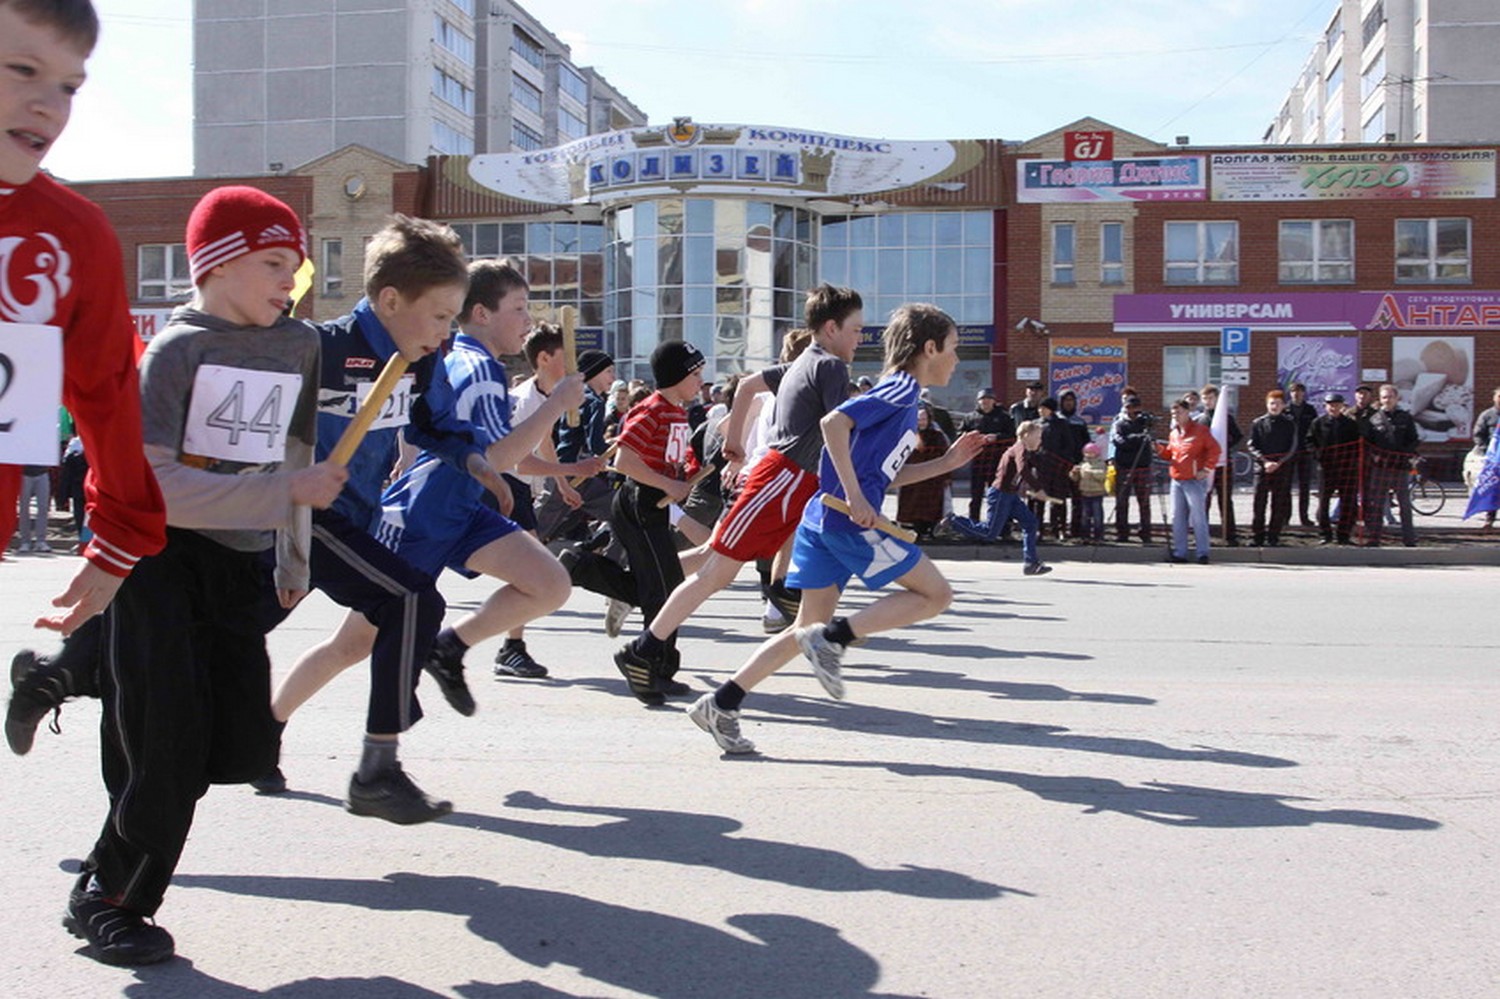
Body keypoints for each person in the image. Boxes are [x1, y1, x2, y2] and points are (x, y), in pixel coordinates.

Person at [66, 183, 346, 966]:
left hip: (240, 562)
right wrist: (282, 494)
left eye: (295, 265)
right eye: (272, 262)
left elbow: (292, 452)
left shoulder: (296, 344)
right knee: (167, 748)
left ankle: (87, 679)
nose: (288, 280)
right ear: (217, 264)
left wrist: (292, 552)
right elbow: (151, 488)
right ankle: (111, 898)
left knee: (244, 747)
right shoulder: (174, 353)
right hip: (157, 561)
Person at [261, 215, 508, 819]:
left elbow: (437, 425)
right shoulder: (320, 348)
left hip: (347, 519)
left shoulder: (419, 361)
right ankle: (377, 768)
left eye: (454, 319)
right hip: (291, 515)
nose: (446, 332)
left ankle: (68, 671)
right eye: (440, 316)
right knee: (412, 601)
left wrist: (477, 462)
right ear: (390, 299)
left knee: (222, 629)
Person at [687, 303, 986, 754]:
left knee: (805, 628)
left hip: (824, 519)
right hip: (846, 523)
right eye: (953, 349)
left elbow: (878, 475)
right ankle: (835, 640)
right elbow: (833, 423)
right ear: (929, 348)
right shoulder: (902, 389)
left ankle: (721, 703)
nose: (957, 360)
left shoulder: (904, 395)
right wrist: (856, 498)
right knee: (935, 595)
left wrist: (946, 463)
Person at [0, 0, 165, 615]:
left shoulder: (73, 235)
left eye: (69, 85)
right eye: (22, 68)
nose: (50, 104)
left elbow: (108, 391)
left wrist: (120, 536)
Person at [610, 289, 862, 689]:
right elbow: (836, 430)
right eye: (856, 330)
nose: (860, 339)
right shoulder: (830, 367)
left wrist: (735, 447)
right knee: (714, 572)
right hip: (782, 481)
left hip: (789, 483)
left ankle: (790, 605)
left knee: (717, 562)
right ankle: (642, 647)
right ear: (831, 328)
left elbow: (745, 386)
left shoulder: (802, 363)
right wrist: (855, 489)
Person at [564, 340, 706, 703]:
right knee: (664, 588)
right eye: (695, 373)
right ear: (676, 376)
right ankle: (584, 567)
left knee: (664, 586)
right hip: (638, 504)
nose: (701, 381)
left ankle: (658, 667)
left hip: (654, 505)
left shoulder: (677, 410)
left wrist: (688, 471)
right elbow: (625, 461)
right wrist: (667, 483)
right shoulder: (653, 409)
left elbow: (675, 455)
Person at [942, 419, 1051, 575]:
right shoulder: (1019, 448)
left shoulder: (1024, 450)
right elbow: (1022, 470)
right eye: (1038, 436)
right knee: (989, 533)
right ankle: (953, 521)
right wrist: (1038, 489)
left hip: (1010, 495)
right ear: (1026, 435)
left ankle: (1031, 563)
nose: (1040, 440)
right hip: (1000, 495)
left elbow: (1018, 474)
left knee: (1030, 523)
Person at [1156, 398, 1220, 564]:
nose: (1176, 416)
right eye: (1173, 413)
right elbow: (1170, 454)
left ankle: (1203, 552)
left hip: (1194, 481)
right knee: (1177, 517)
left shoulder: (1200, 431)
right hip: (1177, 480)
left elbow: (1215, 450)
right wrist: (1159, 449)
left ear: (1188, 412)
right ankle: (1180, 552)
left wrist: (1206, 469)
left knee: (1198, 516)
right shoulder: (1174, 433)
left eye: (1179, 412)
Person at [1363, 383, 1419, 547]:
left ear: (1397, 398)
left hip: (1400, 466)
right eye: (1384, 397)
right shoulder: (1374, 419)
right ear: (1380, 399)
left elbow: (1413, 439)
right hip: (1380, 467)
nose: (1387, 400)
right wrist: (1376, 457)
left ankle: (1409, 538)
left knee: (1404, 504)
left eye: (1390, 397)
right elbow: (1368, 443)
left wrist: (1403, 454)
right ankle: (1374, 538)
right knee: (1377, 504)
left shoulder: (1405, 417)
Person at [1247, 389, 1298, 547]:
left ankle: (1274, 536)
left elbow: (1293, 446)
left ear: (1283, 405)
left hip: (1281, 468)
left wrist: (1279, 462)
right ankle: (1258, 536)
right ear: (1266, 404)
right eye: (1271, 403)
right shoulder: (1258, 423)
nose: (1274, 406)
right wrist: (1264, 461)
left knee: (1278, 503)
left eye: (1278, 403)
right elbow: (1251, 445)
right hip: (1262, 469)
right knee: (1259, 503)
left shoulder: (1289, 424)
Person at [957, 387, 1015, 521]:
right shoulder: (970, 417)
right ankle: (973, 524)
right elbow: (960, 434)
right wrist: (972, 437)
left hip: (997, 460)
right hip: (977, 459)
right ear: (978, 401)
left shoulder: (1004, 417)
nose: (985, 402)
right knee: (975, 495)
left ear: (994, 401)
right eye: (982, 399)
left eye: (989, 399)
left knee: (996, 494)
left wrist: (997, 437)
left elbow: (1012, 435)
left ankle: (996, 524)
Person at [1310, 392, 1361, 545]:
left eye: (1337, 404)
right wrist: (1318, 455)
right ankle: (1325, 534)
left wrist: (1351, 460)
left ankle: (1344, 535)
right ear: (1326, 406)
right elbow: (1309, 442)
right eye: (1330, 404)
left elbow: (1357, 445)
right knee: (1324, 502)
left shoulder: (1350, 424)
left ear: (1342, 406)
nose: (1333, 407)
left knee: (1348, 502)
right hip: (1326, 468)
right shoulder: (1318, 423)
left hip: (1346, 469)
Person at [896, 403, 951, 538]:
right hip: (913, 476)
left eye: (923, 419)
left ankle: (930, 530)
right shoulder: (909, 435)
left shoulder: (937, 436)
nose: (921, 422)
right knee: (912, 504)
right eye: (919, 420)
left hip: (933, 477)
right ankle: (916, 530)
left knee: (931, 505)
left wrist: (946, 476)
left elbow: (945, 456)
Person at [1197, 385, 1243, 546]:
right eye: (1205, 398)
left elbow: (1238, 436)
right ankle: (1202, 534)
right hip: (1205, 466)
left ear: (1217, 399)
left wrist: (1225, 447)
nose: (1208, 401)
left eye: (1211, 398)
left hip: (1223, 464)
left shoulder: (1226, 418)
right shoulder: (1199, 420)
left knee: (1225, 500)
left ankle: (1230, 535)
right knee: (1204, 500)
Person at [1110, 394, 1154, 544]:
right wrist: (1138, 438)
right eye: (1129, 407)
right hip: (1125, 467)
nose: (1132, 410)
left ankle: (1145, 532)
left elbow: (1148, 438)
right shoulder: (1120, 423)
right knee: (1122, 501)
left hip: (1143, 466)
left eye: (1135, 407)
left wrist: (1135, 437)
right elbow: (1120, 442)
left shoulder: (1145, 422)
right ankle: (1122, 532)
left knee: (1144, 502)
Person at [1465, 387, 1500, 529]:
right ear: (1494, 398)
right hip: (1492, 461)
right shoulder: (1487, 415)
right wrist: (1488, 451)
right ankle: (1489, 518)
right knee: (1492, 489)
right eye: (1499, 396)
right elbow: (1478, 435)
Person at [1285, 381, 1318, 527]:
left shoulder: (1310, 410)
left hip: (1305, 453)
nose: (1296, 394)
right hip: (1288, 453)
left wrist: (1312, 448)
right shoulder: (1285, 410)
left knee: (1304, 487)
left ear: (1303, 393)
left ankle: (1304, 517)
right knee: (1286, 486)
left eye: (1299, 391)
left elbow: (1315, 430)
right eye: (1293, 391)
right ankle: (1286, 517)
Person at [1071, 441, 1109, 544]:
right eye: (1086, 453)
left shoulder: (1100, 463)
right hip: (1085, 493)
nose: (1088, 455)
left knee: (1097, 516)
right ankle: (1085, 536)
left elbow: (1102, 476)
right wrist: (1074, 473)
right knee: (1085, 516)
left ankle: (1099, 536)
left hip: (1097, 494)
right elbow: (1076, 479)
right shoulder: (1083, 464)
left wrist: (1090, 473)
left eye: (1091, 453)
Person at [16, 464, 49, 553]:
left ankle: (41, 541)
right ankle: (25, 541)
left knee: (43, 508)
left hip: (42, 473)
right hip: (24, 474)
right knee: (24, 509)